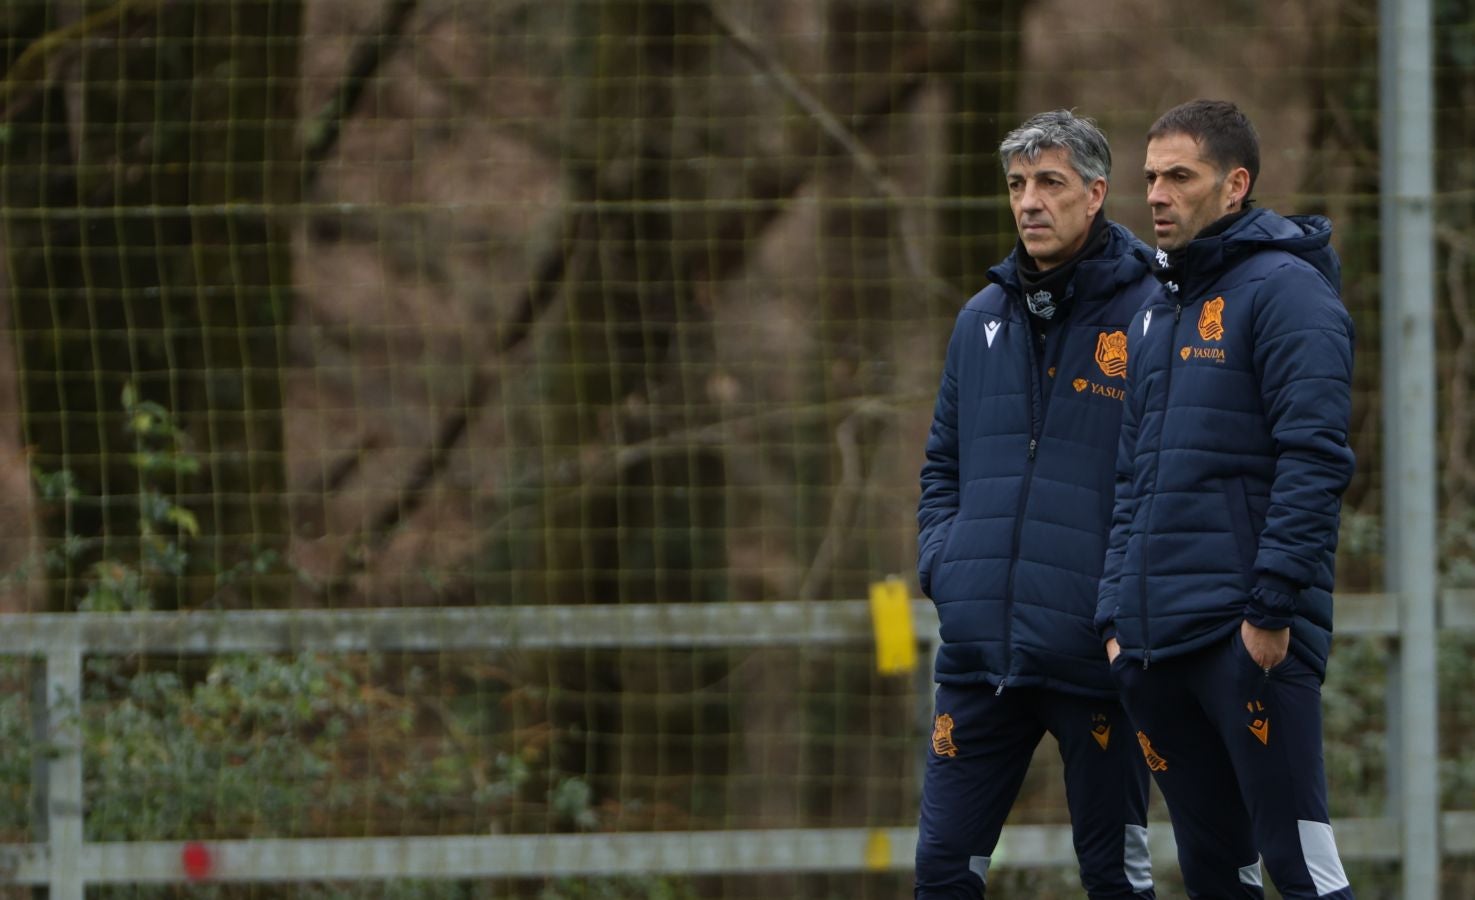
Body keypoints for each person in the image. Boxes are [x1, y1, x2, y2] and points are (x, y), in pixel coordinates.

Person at [1095, 99, 1356, 899]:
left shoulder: (1288, 293)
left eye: (1180, 176)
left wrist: (1269, 611)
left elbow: (1314, 457)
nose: (1158, 195)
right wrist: (1113, 619)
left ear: (1234, 183)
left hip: (1246, 636)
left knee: (1297, 863)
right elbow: (1131, 476)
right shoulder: (1153, 308)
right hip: (1151, 646)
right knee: (1216, 874)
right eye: (1149, 178)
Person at [915, 109, 1164, 899]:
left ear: (1094, 195)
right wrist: (945, 567)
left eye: (1049, 183)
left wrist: (1121, 603)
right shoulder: (978, 319)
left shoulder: (1152, 313)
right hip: (978, 656)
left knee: (1113, 878)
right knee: (942, 873)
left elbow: (1165, 474)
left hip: (1097, 658)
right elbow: (940, 467)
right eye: (1018, 184)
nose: (1029, 202)